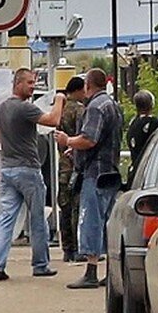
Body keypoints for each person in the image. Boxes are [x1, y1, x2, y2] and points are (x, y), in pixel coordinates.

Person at [0, 68, 66, 280]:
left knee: (6, 218)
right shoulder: (25, 108)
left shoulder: (1, 109)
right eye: (30, 83)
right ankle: (40, 264)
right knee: (37, 218)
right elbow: (53, 120)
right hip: (29, 170)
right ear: (18, 84)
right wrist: (59, 99)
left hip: (7, 170)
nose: (33, 87)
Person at [56, 68, 124, 290]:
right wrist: (75, 148)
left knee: (91, 221)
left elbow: (89, 139)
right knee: (107, 222)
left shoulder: (94, 107)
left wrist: (68, 141)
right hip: (111, 170)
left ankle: (91, 271)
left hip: (94, 172)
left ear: (88, 85)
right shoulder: (112, 105)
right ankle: (111, 273)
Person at [57, 77, 86, 262]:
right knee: (77, 206)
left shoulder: (60, 110)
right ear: (77, 90)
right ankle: (77, 247)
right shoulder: (80, 110)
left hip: (63, 165)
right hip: (76, 164)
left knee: (64, 206)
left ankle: (67, 249)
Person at [126, 90, 158, 188]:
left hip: (135, 169)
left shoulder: (133, 123)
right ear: (151, 104)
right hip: (148, 171)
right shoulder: (153, 123)